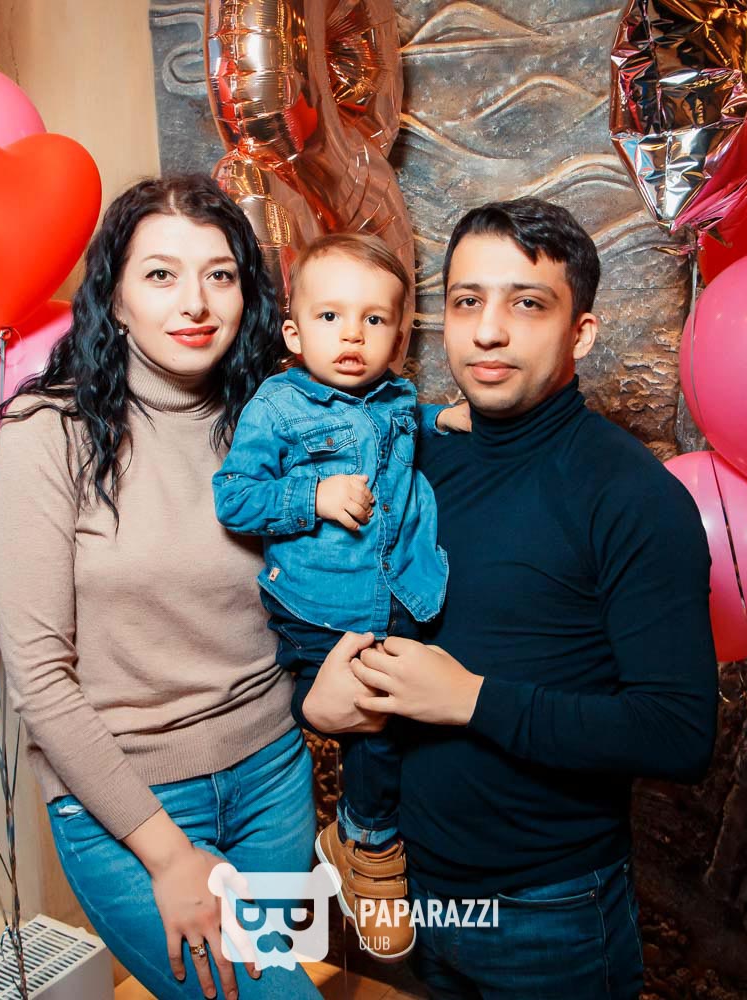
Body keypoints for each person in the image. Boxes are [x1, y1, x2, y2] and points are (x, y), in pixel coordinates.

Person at [299, 198, 719, 999]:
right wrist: (313, 704)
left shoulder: (633, 497)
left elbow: (678, 733)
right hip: (417, 888)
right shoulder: (413, 459)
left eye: (527, 304)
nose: (488, 331)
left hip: (552, 910)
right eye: (467, 301)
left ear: (581, 333)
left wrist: (470, 700)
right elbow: (320, 589)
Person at [0, 175, 322, 1000]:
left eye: (219, 274)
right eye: (161, 274)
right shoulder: (48, 433)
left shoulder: (273, 416)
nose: (195, 301)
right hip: (131, 800)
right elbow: (39, 679)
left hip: (273, 773)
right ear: (116, 299)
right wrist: (168, 856)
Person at [211, 233, 467, 962]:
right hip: (318, 605)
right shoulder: (277, 406)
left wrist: (440, 419)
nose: (352, 335)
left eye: (373, 319)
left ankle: (373, 828)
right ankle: (368, 844)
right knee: (373, 722)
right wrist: (313, 495)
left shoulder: (396, 397)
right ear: (295, 334)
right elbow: (233, 497)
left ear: (398, 338)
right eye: (330, 317)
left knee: (422, 720)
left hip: (401, 595)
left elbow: (400, 429)